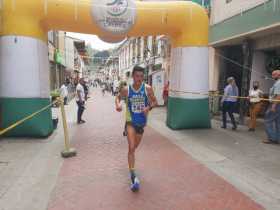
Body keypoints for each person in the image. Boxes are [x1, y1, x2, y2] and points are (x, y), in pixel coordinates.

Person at [115, 66, 158, 192]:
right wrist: (118, 105)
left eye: (141, 76)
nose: (139, 79)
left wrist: (148, 108)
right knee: (131, 147)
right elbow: (117, 98)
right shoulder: (126, 90)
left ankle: (131, 160)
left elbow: (155, 102)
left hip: (141, 124)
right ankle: (133, 175)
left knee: (134, 148)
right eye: (137, 76)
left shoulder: (147, 89)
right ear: (132, 76)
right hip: (130, 122)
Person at [263, 70, 280, 144]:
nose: (272, 76)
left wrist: (273, 105)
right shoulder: (277, 83)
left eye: (274, 75)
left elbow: (278, 95)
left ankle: (272, 138)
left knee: (267, 121)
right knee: (278, 123)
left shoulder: (278, 83)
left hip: (275, 104)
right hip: (278, 104)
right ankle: (278, 138)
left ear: (278, 75)